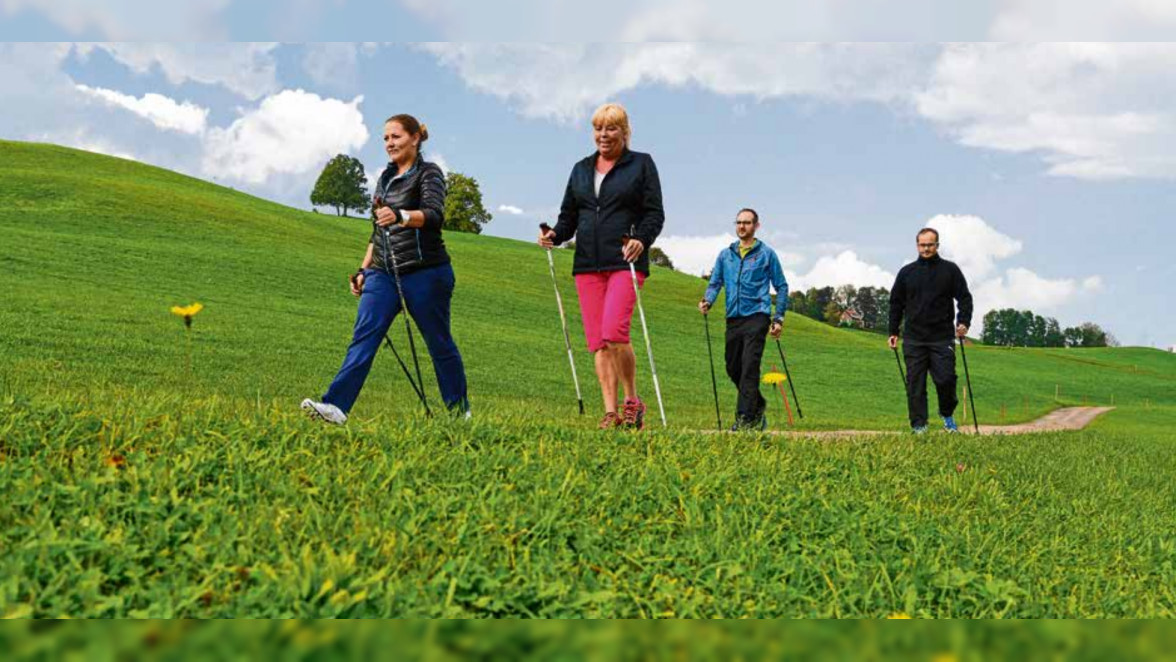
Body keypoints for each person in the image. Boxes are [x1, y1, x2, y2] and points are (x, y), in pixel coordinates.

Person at [302, 114, 468, 424]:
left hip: (426, 272)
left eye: (396, 137)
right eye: (385, 138)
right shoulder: (385, 177)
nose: (389, 143)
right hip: (384, 272)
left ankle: (460, 414)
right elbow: (376, 231)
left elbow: (434, 215)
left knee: (439, 343)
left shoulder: (429, 173)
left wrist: (402, 215)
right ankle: (336, 407)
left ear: (415, 138)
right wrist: (363, 270)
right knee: (364, 336)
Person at [538, 102, 665, 430]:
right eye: (598, 128)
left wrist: (642, 239)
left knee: (614, 332)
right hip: (587, 265)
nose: (603, 135)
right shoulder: (581, 169)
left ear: (625, 132)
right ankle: (610, 412)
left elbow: (654, 213)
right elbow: (569, 217)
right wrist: (555, 233)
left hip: (625, 260)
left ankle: (632, 401)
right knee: (597, 341)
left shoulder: (641, 165)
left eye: (611, 128)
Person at [699, 208, 789, 431]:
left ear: (756, 226)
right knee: (733, 367)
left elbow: (782, 286)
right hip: (733, 318)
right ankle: (757, 406)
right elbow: (715, 282)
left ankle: (744, 419)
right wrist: (708, 300)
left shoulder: (766, 254)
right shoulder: (725, 255)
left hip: (757, 316)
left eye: (747, 223)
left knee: (749, 367)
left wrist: (778, 318)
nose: (742, 226)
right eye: (738, 222)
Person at [888, 227, 973, 433]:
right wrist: (893, 332)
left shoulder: (950, 270)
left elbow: (964, 298)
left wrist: (963, 322)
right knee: (915, 385)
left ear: (937, 245)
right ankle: (919, 426)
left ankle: (947, 414)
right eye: (922, 245)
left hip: (941, 338)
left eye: (930, 244)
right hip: (914, 339)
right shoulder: (907, 273)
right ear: (917, 246)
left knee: (946, 380)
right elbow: (896, 303)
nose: (926, 248)